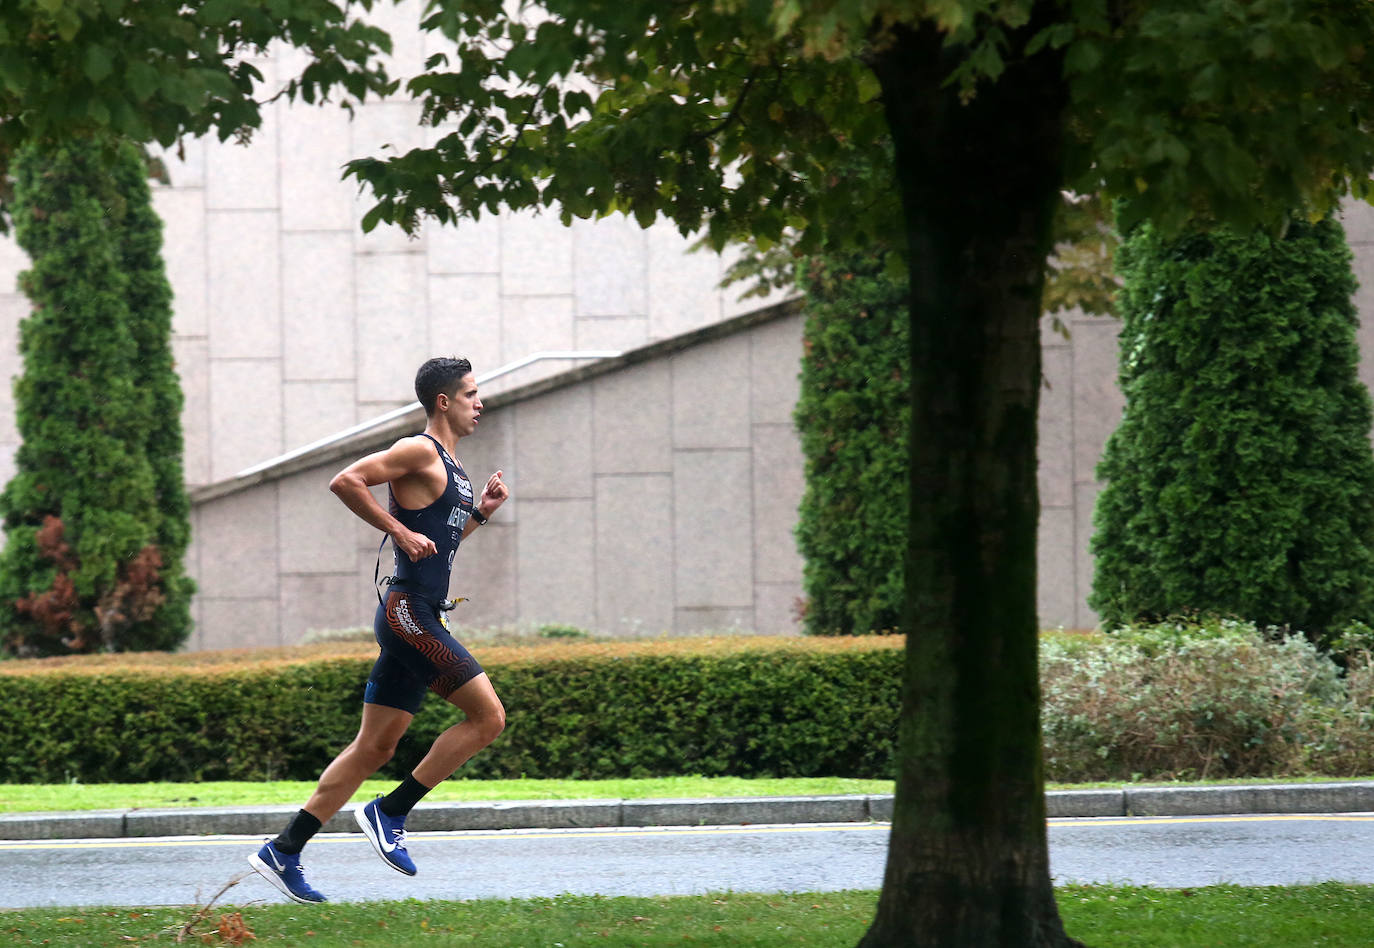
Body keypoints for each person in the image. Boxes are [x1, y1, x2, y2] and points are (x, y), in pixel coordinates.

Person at [249, 356, 510, 904]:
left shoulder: (454, 469)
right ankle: (390, 811)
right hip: (408, 613)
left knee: (375, 745)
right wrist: (397, 531)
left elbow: (438, 539)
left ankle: (284, 849)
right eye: (470, 394)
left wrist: (479, 515)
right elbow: (346, 481)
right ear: (444, 402)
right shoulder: (420, 449)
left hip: (420, 612)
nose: (479, 402)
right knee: (488, 717)